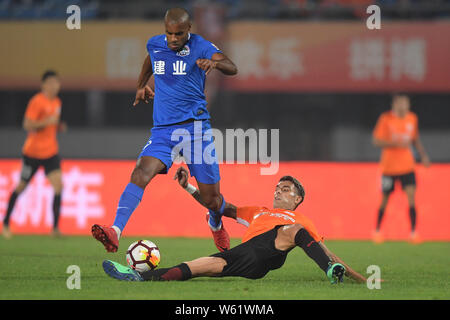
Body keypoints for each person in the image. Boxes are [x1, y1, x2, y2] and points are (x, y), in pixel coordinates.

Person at [91, 8, 238, 253]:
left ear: (188, 30)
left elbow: (232, 67)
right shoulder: (156, 44)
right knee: (140, 172)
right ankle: (114, 231)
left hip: (196, 130)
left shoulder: (201, 46)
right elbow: (150, 61)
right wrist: (141, 85)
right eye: (169, 33)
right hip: (163, 131)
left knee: (212, 200)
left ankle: (215, 222)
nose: (172, 39)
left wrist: (214, 63)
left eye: (178, 34)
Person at [102, 167, 367, 284]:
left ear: (297, 199)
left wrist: (357, 278)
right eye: (277, 188)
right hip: (246, 257)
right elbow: (219, 206)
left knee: (293, 231)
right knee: (194, 268)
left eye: (285, 190)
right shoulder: (259, 212)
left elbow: (324, 250)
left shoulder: (299, 221)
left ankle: (329, 273)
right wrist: (188, 187)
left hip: (272, 251)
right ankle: (138, 277)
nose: (278, 192)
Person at [2, 70, 66, 239]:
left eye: (57, 83)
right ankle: (6, 224)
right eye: (51, 83)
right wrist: (47, 122)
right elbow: (27, 125)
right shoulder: (37, 101)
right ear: (44, 84)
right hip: (32, 153)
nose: (55, 86)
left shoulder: (57, 102)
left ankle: (55, 229)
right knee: (21, 186)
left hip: (51, 152)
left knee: (58, 186)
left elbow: (52, 124)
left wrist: (58, 126)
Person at [372, 93, 430, 244]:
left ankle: (413, 233)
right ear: (394, 104)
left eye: (406, 103)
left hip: (407, 166)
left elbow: (415, 139)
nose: (404, 106)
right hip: (389, 168)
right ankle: (377, 231)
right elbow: (376, 141)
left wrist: (423, 156)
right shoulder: (386, 119)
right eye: (401, 103)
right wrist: (396, 144)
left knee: (411, 197)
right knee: (385, 199)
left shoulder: (412, 118)